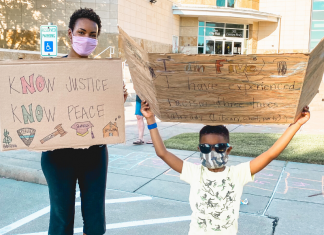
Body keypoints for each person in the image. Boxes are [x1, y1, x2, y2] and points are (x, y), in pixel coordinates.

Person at [141, 100, 310, 234]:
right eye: (207, 148)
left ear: (228, 150)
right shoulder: (194, 173)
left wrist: (296, 125)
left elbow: (270, 154)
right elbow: (162, 153)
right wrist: (150, 120)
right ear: (200, 150)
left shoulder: (238, 174)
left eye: (219, 147)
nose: (213, 151)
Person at [41, 8, 127, 235]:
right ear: (70, 34)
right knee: (61, 220)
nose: (87, 38)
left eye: (93, 35)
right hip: (58, 155)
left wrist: (118, 100)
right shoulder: (50, 72)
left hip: (94, 154)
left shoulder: (104, 75)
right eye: (82, 32)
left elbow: (108, 115)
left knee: (95, 220)